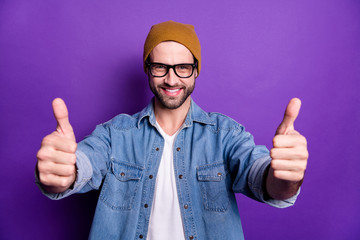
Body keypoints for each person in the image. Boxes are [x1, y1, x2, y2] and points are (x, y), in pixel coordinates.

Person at [36, 20, 308, 240]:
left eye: (183, 67)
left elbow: (261, 177)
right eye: (160, 67)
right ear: (147, 69)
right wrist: (64, 172)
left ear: (196, 70)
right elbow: (83, 164)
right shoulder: (114, 134)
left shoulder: (226, 134)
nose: (171, 78)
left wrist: (285, 178)